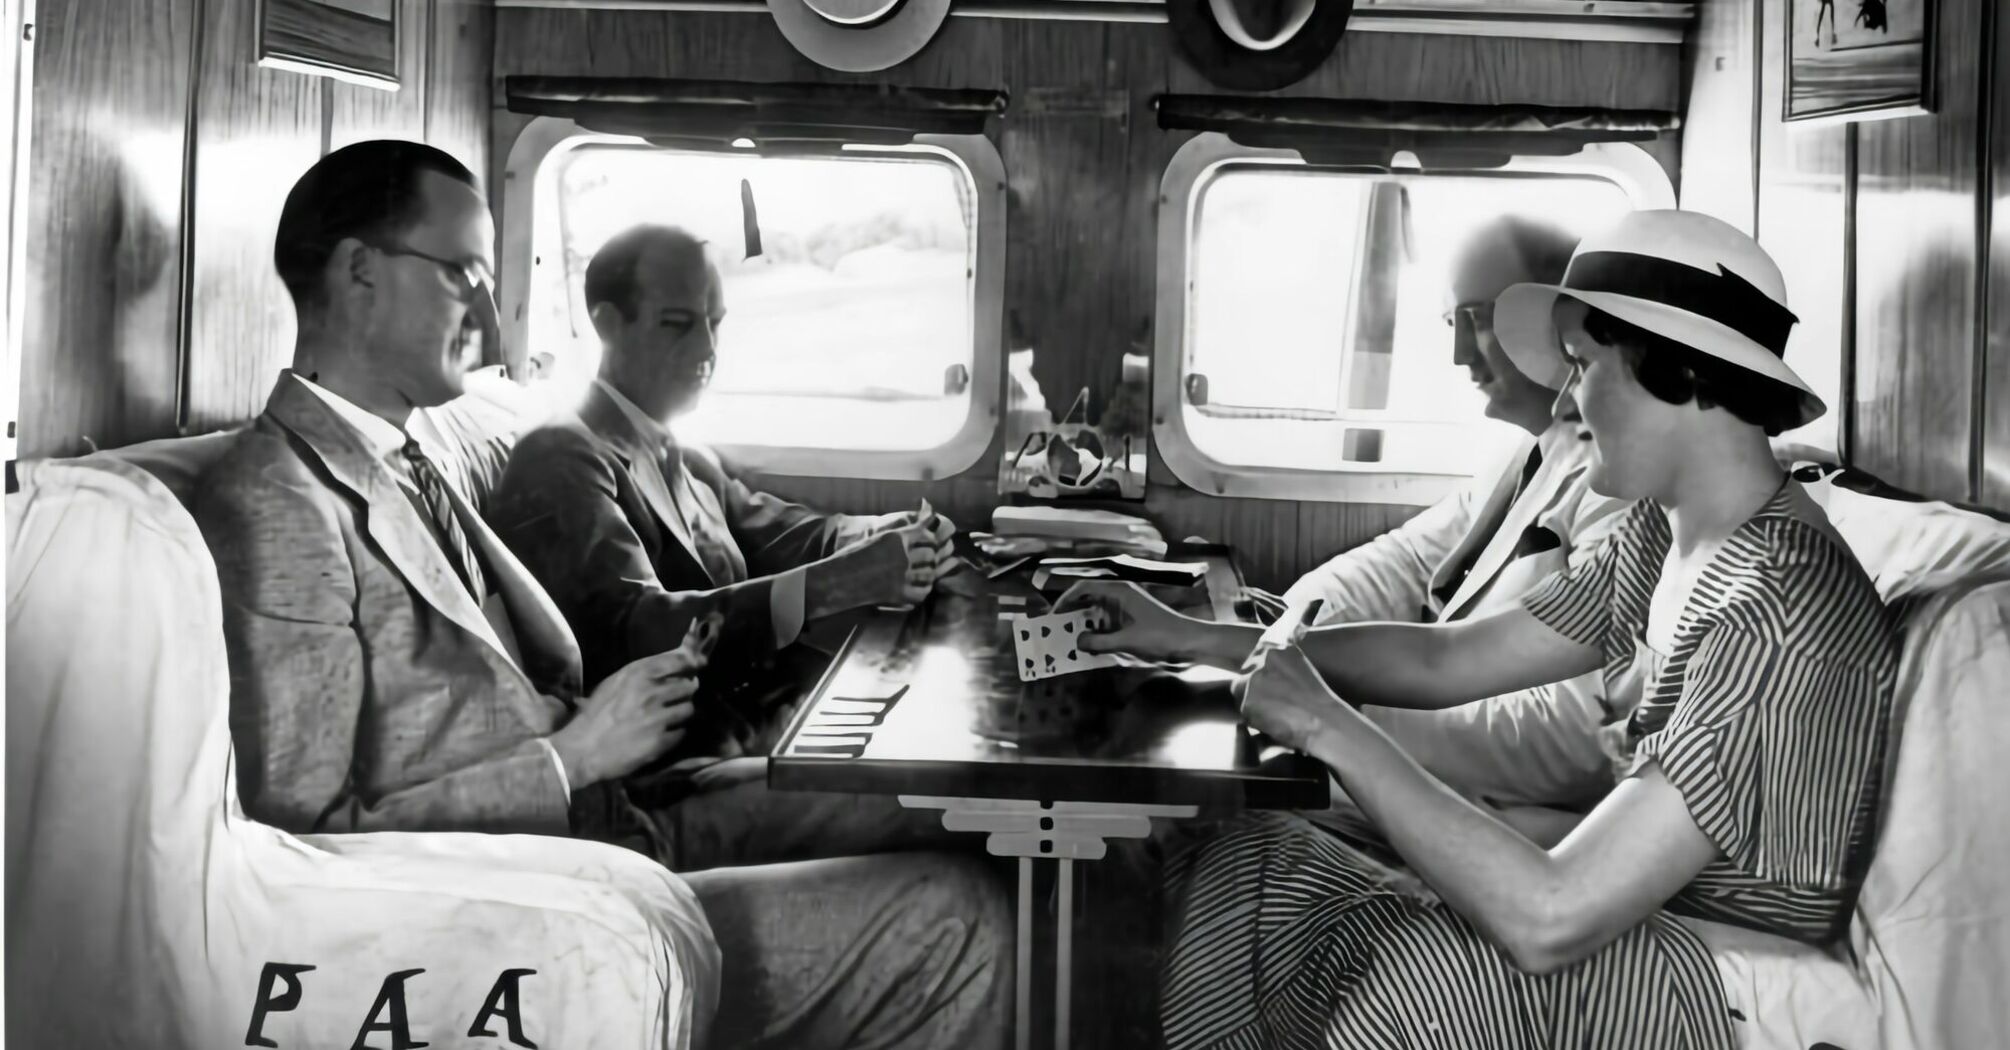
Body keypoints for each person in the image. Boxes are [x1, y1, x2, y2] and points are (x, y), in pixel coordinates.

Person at [192, 140, 1010, 1050]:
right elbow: (303, 836)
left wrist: (642, 759)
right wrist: (573, 758)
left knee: (970, 802)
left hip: (626, 801)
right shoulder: (279, 503)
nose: (490, 310)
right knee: (962, 914)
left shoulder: (410, 460)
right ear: (359, 271)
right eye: (463, 272)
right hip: (546, 881)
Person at [1073, 210, 1896, 1048]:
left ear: (1678, 373)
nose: (1567, 398)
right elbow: (1445, 660)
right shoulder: (1668, 532)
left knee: (1420, 976)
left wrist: (1326, 725)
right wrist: (1205, 641)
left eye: (1581, 366)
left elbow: (1552, 916)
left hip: (1724, 978)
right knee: (1251, 861)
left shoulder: (1779, 608)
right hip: (1642, 913)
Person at [486, 223, 964, 870]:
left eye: (716, 322)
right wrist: (832, 586)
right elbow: (634, 630)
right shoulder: (563, 458)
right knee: (960, 794)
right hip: (671, 776)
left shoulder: (682, 453)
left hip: (759, 726)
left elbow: (788, 532)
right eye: (679, 324)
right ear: (607, 323)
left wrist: (891, 535)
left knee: (958, 752)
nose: (707, 347)